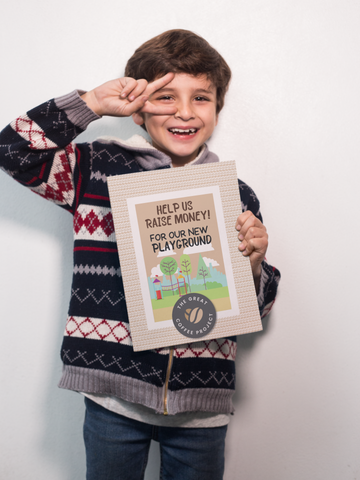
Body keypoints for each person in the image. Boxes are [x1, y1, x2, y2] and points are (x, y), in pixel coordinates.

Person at [0, 29, 280, 480]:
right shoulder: (95, 171)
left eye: (201, 98)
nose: (184, 112)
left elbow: (260, 308)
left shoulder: (235, 195)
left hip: (200, 406)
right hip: (114, 397)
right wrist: (90, 102)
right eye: (165, 96)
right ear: (136, 109)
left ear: (217, 109)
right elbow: (12, 151)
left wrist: (251, 264)